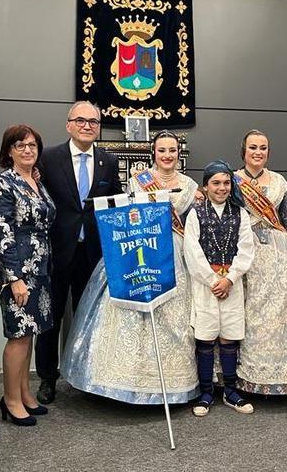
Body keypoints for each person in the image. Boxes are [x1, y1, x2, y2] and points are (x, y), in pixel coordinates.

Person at [61, 131, 199, 404]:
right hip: (140, 250)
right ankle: (121, 383)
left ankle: (173, 383)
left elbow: (193, 224)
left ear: (178, 154)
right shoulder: (138, 181)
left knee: (175, 315)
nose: (167, 156)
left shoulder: (190, 185)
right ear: (153, 153)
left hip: (176, 254)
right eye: (162, 151)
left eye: (172, 150)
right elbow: (126, 216)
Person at [34, 101, 122, 404]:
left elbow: (115, 204)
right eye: (81, 120)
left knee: (90, 318)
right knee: (51, 319)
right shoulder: (48, 158)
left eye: (93, 122)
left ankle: (87, 377)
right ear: (69, 124)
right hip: (57, 254)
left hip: (93, 256)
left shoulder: (108, 162)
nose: (87, 126)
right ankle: (47, 378)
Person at [232, 129, 287, 395]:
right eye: (253, 147)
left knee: (279, 314)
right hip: (244, 247)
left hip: (278, 252)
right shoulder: (232, 180)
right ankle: (244, 376)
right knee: (248, 313)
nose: (258, 152)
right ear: (243, 151)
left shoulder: (280, 182)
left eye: (263, 148)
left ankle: (283, 376)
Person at [0, 124, 55, 425]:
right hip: (15, 271)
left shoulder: (36, 181)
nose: (27, 150)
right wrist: (13, 278)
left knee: (29, 334)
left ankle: (25, 393)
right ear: (8, 151)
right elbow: (1, 232)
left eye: (32, 145)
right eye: (20, 145)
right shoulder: (3, 184)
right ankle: (11, 400)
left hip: (39, 269)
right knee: (18, 335)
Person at [184, 161, 255, 416]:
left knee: (229, 336)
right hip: (206, 284)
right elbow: (191, 250)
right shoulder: (195, 212)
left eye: (226, 182)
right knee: (205, 337)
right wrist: (214, 280)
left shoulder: (240, 213)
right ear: (205, 185)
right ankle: (205, 393)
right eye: (216, 183)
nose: (222, 188)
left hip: (231, 284)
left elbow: (247, 249)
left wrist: (230, 278)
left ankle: (230, 391)